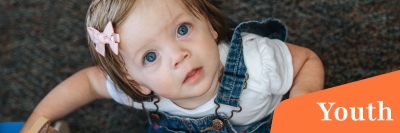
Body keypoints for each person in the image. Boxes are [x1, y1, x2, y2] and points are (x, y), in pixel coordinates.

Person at [20, 0, 324, 132]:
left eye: (182, 30)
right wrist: (36, 121)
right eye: (150, 57)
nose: (178, 55)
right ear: (135, 82)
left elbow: (306, 61)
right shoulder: (141, 92)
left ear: (208, 24)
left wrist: (301, 106)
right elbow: (88, 83)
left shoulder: (257, 63)